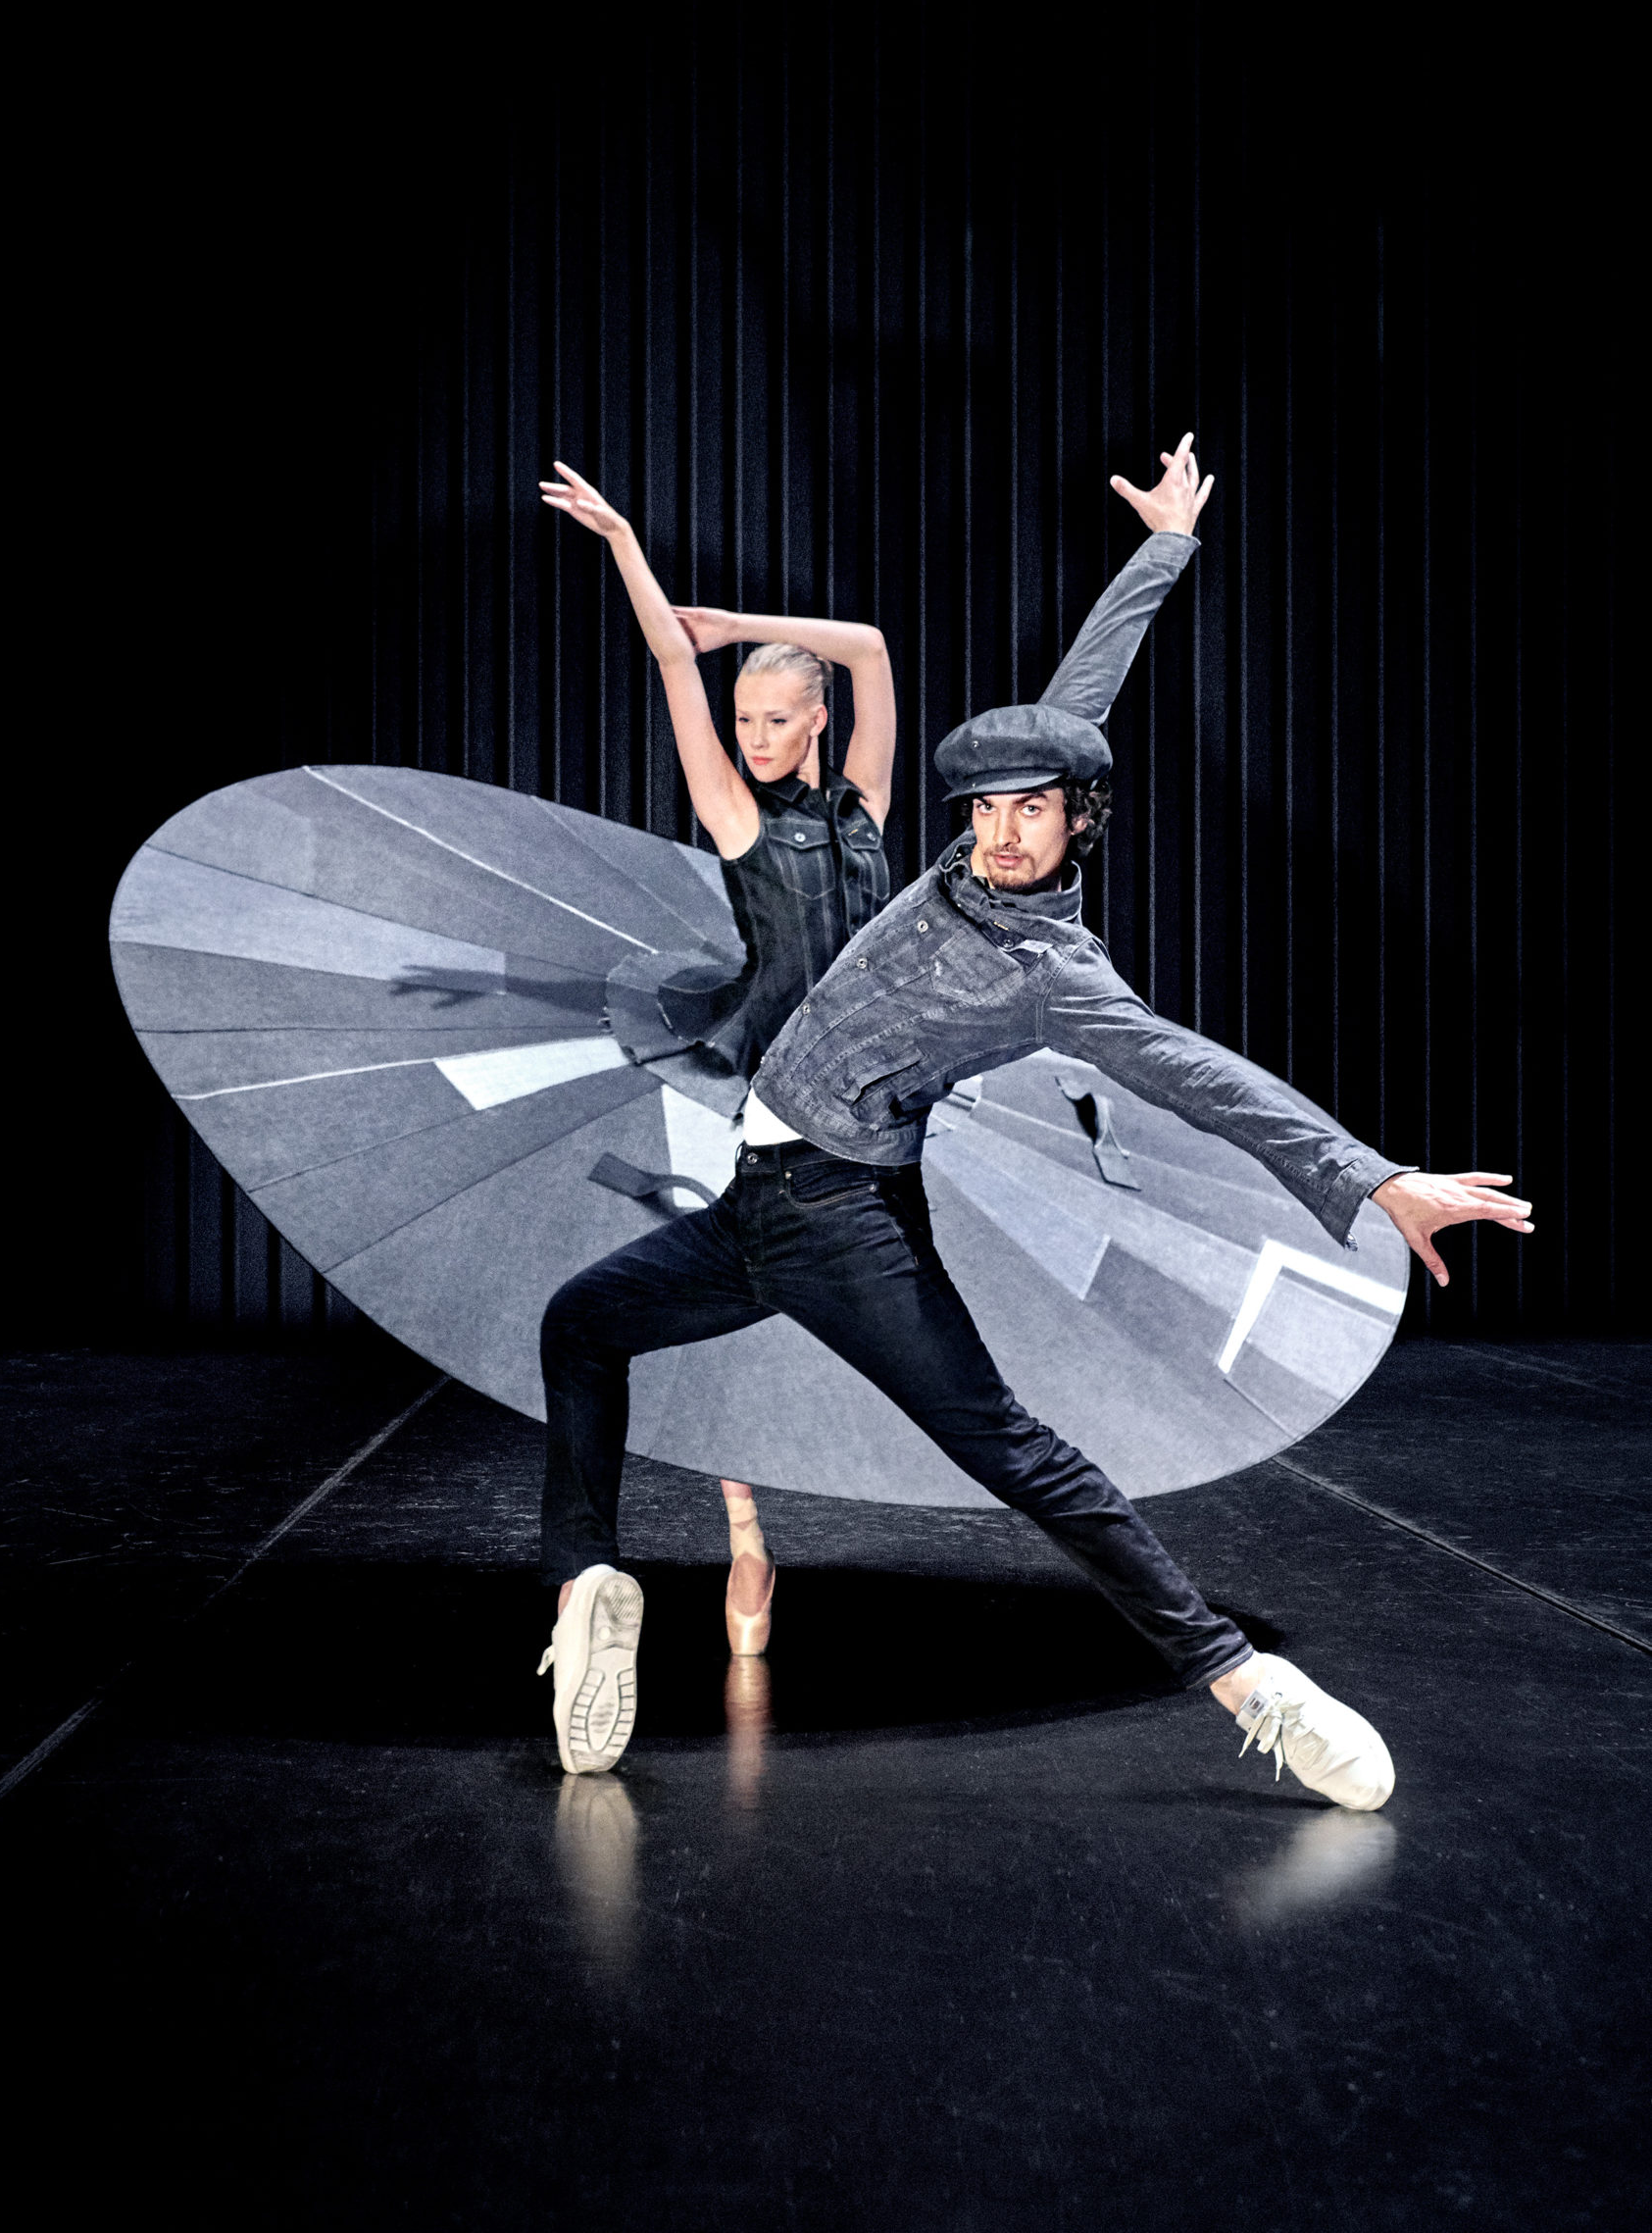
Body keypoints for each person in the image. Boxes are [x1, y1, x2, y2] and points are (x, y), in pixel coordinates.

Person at [535, 438, 1533, 1798]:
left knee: (1015, 1455)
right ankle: (590, 1588)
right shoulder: (958, 861)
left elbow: (1197, 1075)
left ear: (1080, 822)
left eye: (1031, 812)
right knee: (581, 1324)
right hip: (753, 1206)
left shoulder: (1058, 976)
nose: (1003, 831)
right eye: (990, 808)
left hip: (841, 1221)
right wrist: (1164, 548)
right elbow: (1082, 689)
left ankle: (1251, 1684)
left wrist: (1367, 1178)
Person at [539, 461, 897, 1656]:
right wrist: (624, 545)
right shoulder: (740, 816)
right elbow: (668, 664)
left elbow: (867, 648)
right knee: (721, 1304)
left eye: (774, 720)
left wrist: (739, 621)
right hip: (761, 1098)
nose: (751, 738)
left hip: (871, 1104)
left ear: (816, 722)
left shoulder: (864, 807)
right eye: (741, 720)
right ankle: (742, 1537)